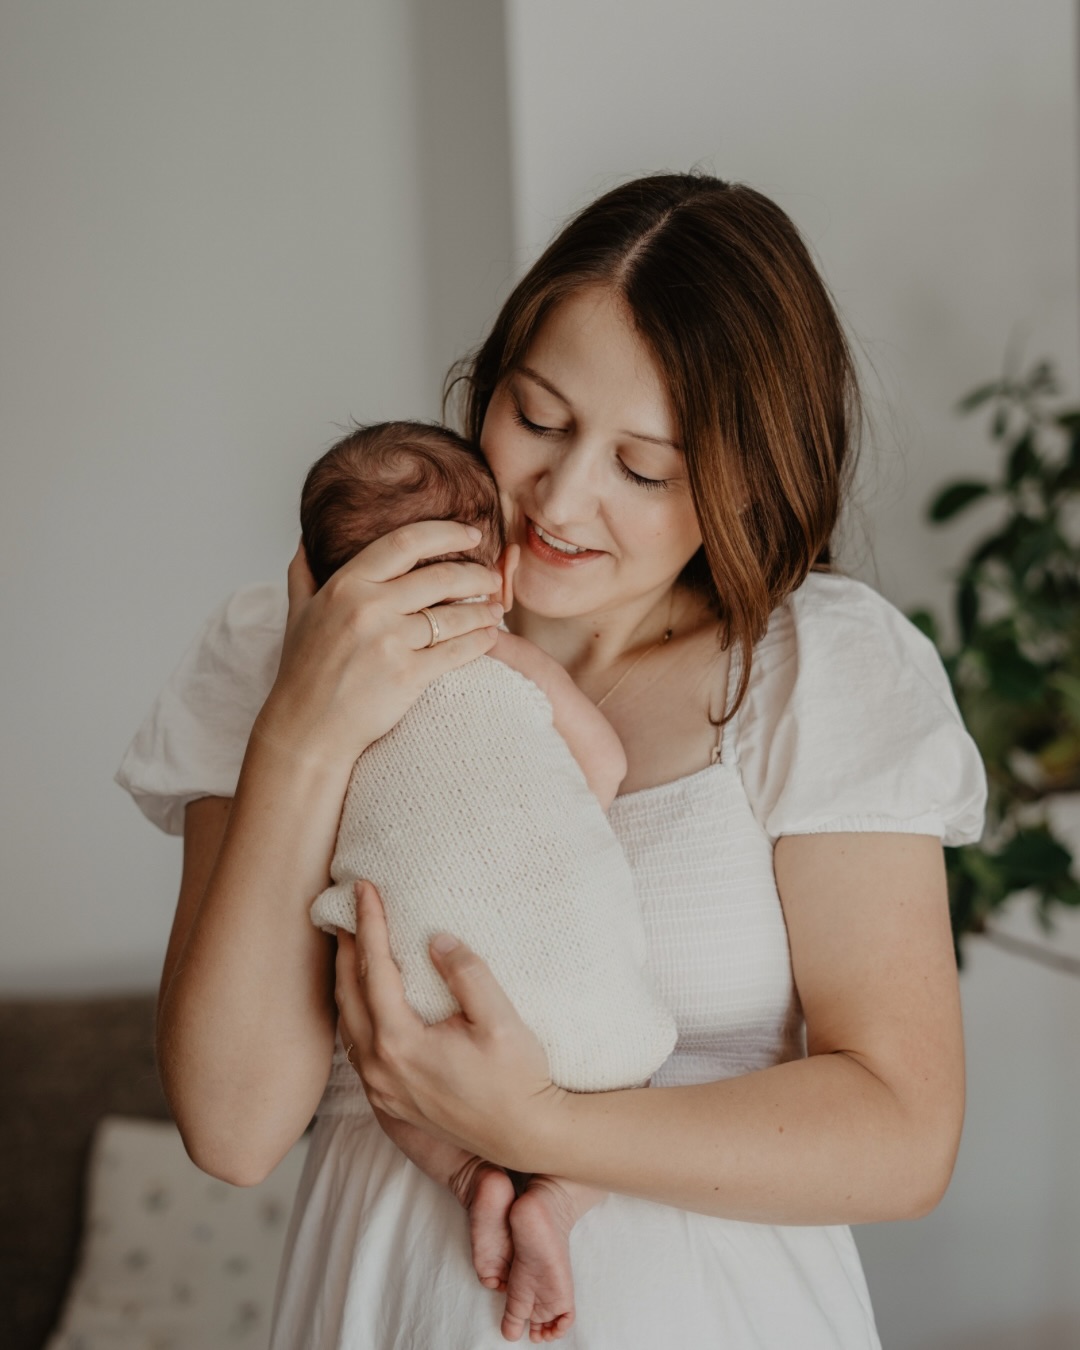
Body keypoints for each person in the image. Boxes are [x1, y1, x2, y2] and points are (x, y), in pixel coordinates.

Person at [117, 172, 987, 1348]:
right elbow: (232, 1129)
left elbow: (901, 1136)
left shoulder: (819, 670)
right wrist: (305, 727)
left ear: (747, 478)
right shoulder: (281, 642)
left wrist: (534, 1129)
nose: (562, 499)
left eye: (646, 468)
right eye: (536, 417)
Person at [301, 418, 677, 1334]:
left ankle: (472, 1177)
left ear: (319, 597)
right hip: (594, 1029)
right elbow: (602, 768)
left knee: (384, 1069)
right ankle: (559, 1196)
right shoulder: (508, 660)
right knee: (619, 1083)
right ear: (501, 576)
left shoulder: (336, 706)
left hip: (417, 1015)